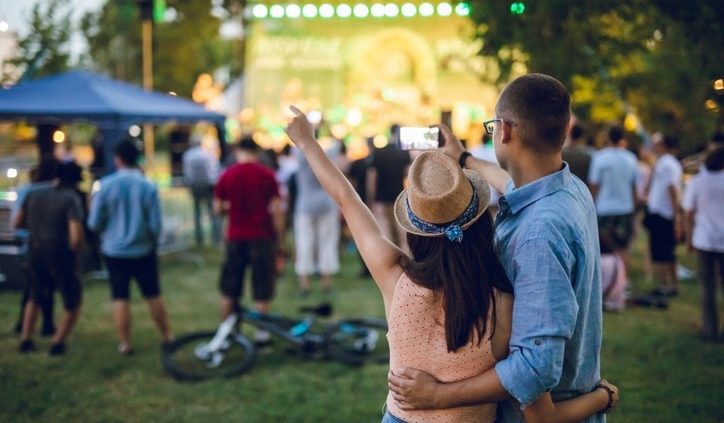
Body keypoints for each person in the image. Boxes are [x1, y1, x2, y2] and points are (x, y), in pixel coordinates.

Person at [286, 105, 617, 423]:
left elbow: (347, 198)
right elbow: (528, 394)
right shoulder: (503, 300)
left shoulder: (394, 277)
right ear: (480, 221)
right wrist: (602, 396)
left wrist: (307, 142)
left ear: (415, 231)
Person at [387, 74, 608, 423]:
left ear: (504, 131)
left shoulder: (538, 233)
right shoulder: (569, 189)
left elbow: (534, 369)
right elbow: (513, 184)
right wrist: (463, 158)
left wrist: (438, 395)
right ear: (565, 129)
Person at [87, 140, 173, 355]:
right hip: (143, 250)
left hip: (114, 251)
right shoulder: (148, 186)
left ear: (118, 158)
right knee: (153, 294)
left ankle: (125, 343)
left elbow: (94, 223)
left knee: (120, 297)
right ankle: (167, 336)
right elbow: (155, 225)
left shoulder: (105, 186)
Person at [213, 136, 284, 344]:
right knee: (262, 287)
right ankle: (262, 334)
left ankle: (227, 333)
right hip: (262, 237)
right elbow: (277, 210)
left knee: (230, 288)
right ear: (257, 152)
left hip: (235, 237)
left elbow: (217, 209)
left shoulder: (227, 175)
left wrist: (230, 207)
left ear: (237, 151)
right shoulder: (267, 175)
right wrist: (280, 241)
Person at [14, 162, 85, 355]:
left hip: (34, 251)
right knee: (72, 300)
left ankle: (26, 339)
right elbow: (76, 236)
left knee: (35, 296)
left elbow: (17, 222)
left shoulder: (34, 193)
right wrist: (75, 253)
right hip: (60, 253)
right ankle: (57, 343)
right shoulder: (70, 198)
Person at [12, 159, 60, 337]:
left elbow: (16, 222)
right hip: (49, 246)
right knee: (46, 287)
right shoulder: (56, 193)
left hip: (29, 245)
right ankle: (46, 324)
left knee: (33, 288)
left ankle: (23, 325)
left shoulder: (26, 191)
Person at [683, 147, 724, 341]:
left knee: (707, 287)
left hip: (704, 238)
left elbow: (689, 212)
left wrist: (688, 239)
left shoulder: (698, 181)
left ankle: (710, 329)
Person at [292, 141, 342, 295]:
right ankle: (326, 284)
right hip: (326, 205)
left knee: (304, 243)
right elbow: (337, 144)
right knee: (327, 243)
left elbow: (296, 146)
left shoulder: (301, 156)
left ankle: (304, 285)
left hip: (305, 206)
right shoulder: (327, 156)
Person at [588, 126, 638, 273]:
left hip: (604, 208)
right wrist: (634, 210)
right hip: (625, 207)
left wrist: (589, 207)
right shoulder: (631, 158)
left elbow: (594, 186)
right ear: (622, 139)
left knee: (603, 249)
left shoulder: (599, 157)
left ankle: (606, 281)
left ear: (608, 138)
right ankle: (623, 284)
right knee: (623, 248)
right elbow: (633, 187)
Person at [645, 135, 683, 297]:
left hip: (663, 213)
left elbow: (672, 189)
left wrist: (676, 216)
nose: (654, 146)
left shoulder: (667, 164)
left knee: (662, 251)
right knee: (667, 251)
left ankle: (664, 285)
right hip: (661, 211)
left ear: (665, 145)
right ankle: (672, 285)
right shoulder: (665, 162)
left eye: (657, 143)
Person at [368, 125, 412, 250]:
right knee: (401, 230)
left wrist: (371, 197)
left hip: (381, 196)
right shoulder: (404, 153)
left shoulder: (379, 152)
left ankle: (392, 256)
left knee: (386, 230)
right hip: (399, 195)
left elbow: (372, 178)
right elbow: (408, 176)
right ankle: (404, 257)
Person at [182, 134, 221, 247]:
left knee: (197, 212)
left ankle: (199, 239)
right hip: (209, 186)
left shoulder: (188, 155)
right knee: (212, 212)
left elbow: (187, 173)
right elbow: (214, 170)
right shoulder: (208, 155)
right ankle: (216, 238)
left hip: (195, 186)